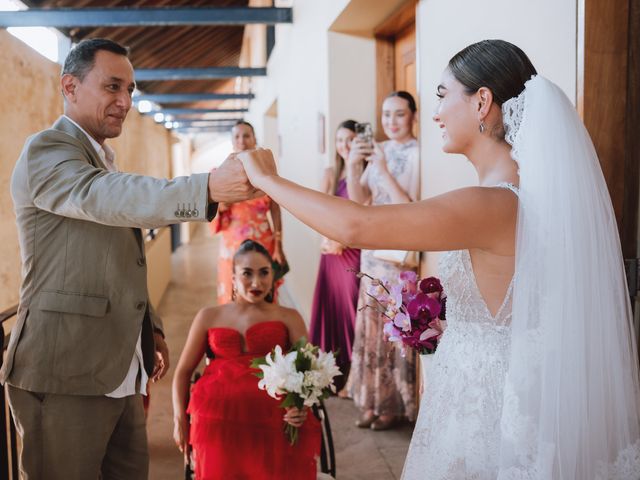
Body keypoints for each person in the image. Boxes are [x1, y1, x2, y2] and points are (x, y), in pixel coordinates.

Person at [237, 40, 640, 479]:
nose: (436, 113)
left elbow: (354, 225)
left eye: (443, 95)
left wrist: (265, 178)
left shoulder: (491, 204)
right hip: (501, 391)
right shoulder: (529, 197)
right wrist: (464, 327)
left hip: (485, 412)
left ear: (482, 101)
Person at [1, 38, 259, 480]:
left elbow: (119, 259)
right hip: (66, 371)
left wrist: (150, 326)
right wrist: (209, 187)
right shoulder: (47, 151)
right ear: (70, 86)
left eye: (131, 91)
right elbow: (105, 197)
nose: (125, 102)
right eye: (112, 87)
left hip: (120, 369)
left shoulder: (102, 159)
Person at [172, 239, 320, 480]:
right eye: (247, 274)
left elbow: (309, 369)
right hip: (217, 414)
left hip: (272, 412)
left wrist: (300, 406)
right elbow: (183, 372)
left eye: (264, 273)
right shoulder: (209, 316)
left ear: (273, 276)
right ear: (232, 278)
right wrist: (179, 419)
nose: (256, 282)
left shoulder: (289, 317)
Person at [344, 92, 421, 430]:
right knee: (371, 327)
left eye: (399, 114)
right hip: (372, 251)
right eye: (386, 114)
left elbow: (411, 208)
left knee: (393, 331)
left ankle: (393, 405)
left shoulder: (419, 154)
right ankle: (371, 402)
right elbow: (360, 201)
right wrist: (352, 162)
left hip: (399, 254)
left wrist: (385, 172)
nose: (391, 121)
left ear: (413, 117)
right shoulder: (381, 149)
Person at [309, 119, 362, 394]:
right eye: (340, 140)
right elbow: (318, 213)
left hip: (352, 252)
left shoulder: (364, 174)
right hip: (331, 253)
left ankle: (353, 378)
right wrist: (327, 240)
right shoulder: (331, 173)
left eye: (350, 140)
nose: (344, 146)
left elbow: (366, 214)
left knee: (350, 312)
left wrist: (343, 240)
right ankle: (328, 374)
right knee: (330, 310)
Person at [211, 120, 286, 304]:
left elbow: (275, 209)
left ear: (254, 139)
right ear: (231, 140)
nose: (242, 141)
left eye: (246, 135)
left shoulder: (266, 173)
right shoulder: (219, 173)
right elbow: (216, 209)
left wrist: (278, 244)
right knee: (233, 292)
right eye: (237, 136)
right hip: (233, 245)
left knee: (264, 290)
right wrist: (227, 197)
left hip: (263, 242)